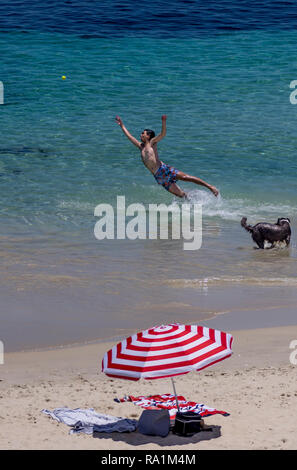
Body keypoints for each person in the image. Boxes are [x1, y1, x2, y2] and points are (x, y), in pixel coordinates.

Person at [115, 115, 219, 198]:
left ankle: (210, 187)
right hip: (158, 176)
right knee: (181, 195)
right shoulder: (140, 146)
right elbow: (129, 136)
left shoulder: (152, 143)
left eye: (143, 133)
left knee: (186, 177)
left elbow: (162, 134)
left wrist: (163, 122)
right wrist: (122, 125)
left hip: (164, 169)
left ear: (148, 136)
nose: (141, 134)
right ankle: (196, 202)